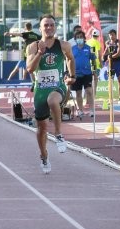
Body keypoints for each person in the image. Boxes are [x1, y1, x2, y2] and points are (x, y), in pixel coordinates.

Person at [25, 14, 76, 174]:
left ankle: (59, 133)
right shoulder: (32, 47)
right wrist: (40, 53)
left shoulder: (64, 45)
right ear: (40, 28)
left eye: (51, 25)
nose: (49, 28)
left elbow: (70, 59)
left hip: (57, 86)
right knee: (41, 128)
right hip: (40, 89)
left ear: (55, 27)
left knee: (53, 101)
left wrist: (72, 76)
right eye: (45, 25)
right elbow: (30, 69)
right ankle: (44, 155)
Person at [69, 30, 96, 118]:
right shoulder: (72, 49)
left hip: (87, 73)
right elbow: (68, 61)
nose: (79, 38)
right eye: (78, 37)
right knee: (78, 93)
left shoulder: (90, 48)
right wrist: (69, 73)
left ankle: (91, 110)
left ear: (84, 38)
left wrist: (94, 71)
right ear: (75, 39)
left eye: (81, 37)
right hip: (76, 74)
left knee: (89, 91)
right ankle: (80, 110)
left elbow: (93, 60)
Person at [103, 29, 120, 102]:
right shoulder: (108, 43)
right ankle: (110, 98)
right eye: (110, 35)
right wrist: (104, 56)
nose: (111, 36)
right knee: (110, 81)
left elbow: (119, 53)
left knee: (119, 81)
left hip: (118, 64)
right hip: (111, 64)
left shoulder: (119, 42)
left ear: (115, 35)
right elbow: (106, 52)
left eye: (112, 34)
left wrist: (111, 56)